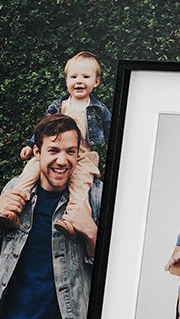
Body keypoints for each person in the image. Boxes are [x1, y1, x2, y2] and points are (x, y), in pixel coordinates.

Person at [0, 115, 101, 319]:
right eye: (54, 151)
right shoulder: (15, 188)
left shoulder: (94, 198)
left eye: (71, 151)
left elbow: (110, 277)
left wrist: (91, 233)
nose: (62, 160)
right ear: (37, 152)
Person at [14, 53, 112, 234]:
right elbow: (42, 128)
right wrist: (30, 144)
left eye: (85, 77)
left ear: (96, 82)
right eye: (74, 77)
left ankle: (71, 219)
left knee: (80, 185)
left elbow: (112, 127)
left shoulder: (99, 109)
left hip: (83, 156)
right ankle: (14, 206)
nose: (79, 81)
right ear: (66, 80)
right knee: (30, 170)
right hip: (54, 152)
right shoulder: (59, 106)